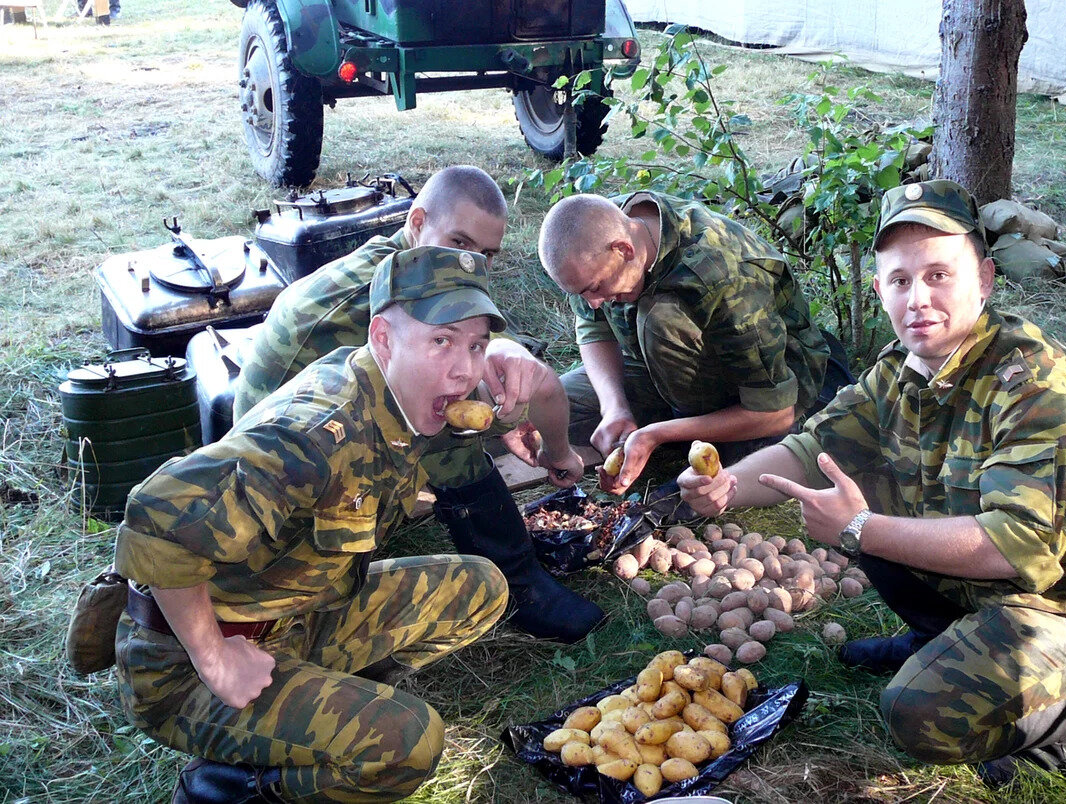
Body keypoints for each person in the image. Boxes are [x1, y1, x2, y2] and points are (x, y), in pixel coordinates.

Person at [677, 180, 1066, 786]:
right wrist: (728, 484)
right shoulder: (902, 369)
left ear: (984, 279)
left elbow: (1019, 545)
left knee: (917, 714)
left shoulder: (1035, 384)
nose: (919, 299)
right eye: (901, 280)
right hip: (988, 576)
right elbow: (811, 450)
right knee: (856, 484)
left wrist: (861, 528)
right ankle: (935, 635)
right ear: (880, 288)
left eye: (940, 275)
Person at [114, 247, 578, 803]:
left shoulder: (401, 392)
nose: (464, 368)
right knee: (410, 744)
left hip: (297, 617)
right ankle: (231, 788)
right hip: (184, 668)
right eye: (441, 340)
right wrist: (214, 659)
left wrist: (506, 407)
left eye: (476, 344)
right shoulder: (312, 437)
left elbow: (464, 403)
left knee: (481, 588)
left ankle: (312, 717)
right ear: (382, 337)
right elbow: (155, 521)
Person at [235, 165, 604, 643]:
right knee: (451, 433)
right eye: (460, 242)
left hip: (322, 445)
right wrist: (556, 451)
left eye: (486, 253)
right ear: (416, 221)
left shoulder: (412, 268)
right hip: (274, 496)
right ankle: (518, 584)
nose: (471, 262)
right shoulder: (366, 305)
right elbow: (526, 390)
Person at [537, 191, 837, 495]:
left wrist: (657, 435)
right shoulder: (592, 237)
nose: (594, 303)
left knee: (662, 319)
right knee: (548, 406)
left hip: (756, 390)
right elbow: (593, 329)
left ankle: (693, 433)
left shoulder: (723, 272)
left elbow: (776, 412)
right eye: (581, 294)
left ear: (624, 251)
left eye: (596, 288)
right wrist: (614, 406)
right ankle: (673, 424)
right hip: (652, 365)